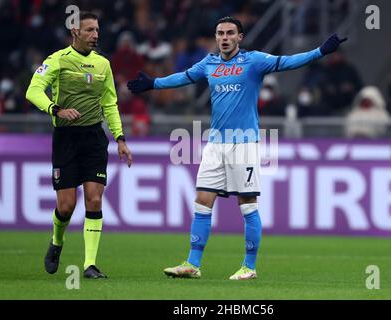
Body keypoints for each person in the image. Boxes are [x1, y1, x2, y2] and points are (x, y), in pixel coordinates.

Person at [128, 16, 346, 280]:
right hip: (215, 145)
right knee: (202, 202)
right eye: (220, 33)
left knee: (247, 205)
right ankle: (192, 264)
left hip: (244, 144)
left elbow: (287, 61)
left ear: (240, 37)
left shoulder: (253, 60)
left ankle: (249, 267)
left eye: (230, 33)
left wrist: (320, 51)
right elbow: (184, 77)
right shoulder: (209, 63)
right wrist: (153, 83)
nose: (224, 37)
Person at [26, 12, 133, 279]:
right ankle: (57, 241)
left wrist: (120, 138)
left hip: (94, 139)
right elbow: (33, 90)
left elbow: (109, 103)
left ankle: (89, 264)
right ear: (75, 32)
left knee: (94, 199)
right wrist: (55, 109)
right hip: (66, 138)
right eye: (89, 30)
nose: (95, 35)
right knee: (66, 206)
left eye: (97, 30)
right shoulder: (58, 60)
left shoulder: (103, 65)